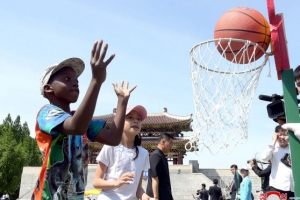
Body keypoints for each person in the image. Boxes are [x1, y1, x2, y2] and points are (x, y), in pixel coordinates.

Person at [32, 40, 136, 200]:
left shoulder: (79, 119)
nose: (75, 82)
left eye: (77, 80)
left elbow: (114, 138)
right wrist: (96, 81)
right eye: (67, 78)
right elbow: (76, 127)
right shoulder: (47, 113)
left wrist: (122, 101)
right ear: (48, 88)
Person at [93, 105, 151, 200]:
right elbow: (96, 182)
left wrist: (146, 197)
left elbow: (138, 188)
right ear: (120, 122)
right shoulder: (110, 147)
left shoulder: (143, 153)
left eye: (139, 119)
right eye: (130, 117)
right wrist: (117, 182)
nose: (136, 121)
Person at [261, 125, 294, 199]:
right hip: (276, 186)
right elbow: (264, 157)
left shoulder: (293, 148)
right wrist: (273, 142)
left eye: (285, 135)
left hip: (292, 188)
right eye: (280, 135)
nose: (282, 137)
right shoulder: (273, 148)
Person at [146, 133, 174, 200]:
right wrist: (156, 197)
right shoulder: (156, 156)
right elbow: (154, 177)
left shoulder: (161, 156)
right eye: (170, 143)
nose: (171, 146)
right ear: (163, 142)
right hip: (159, 197)